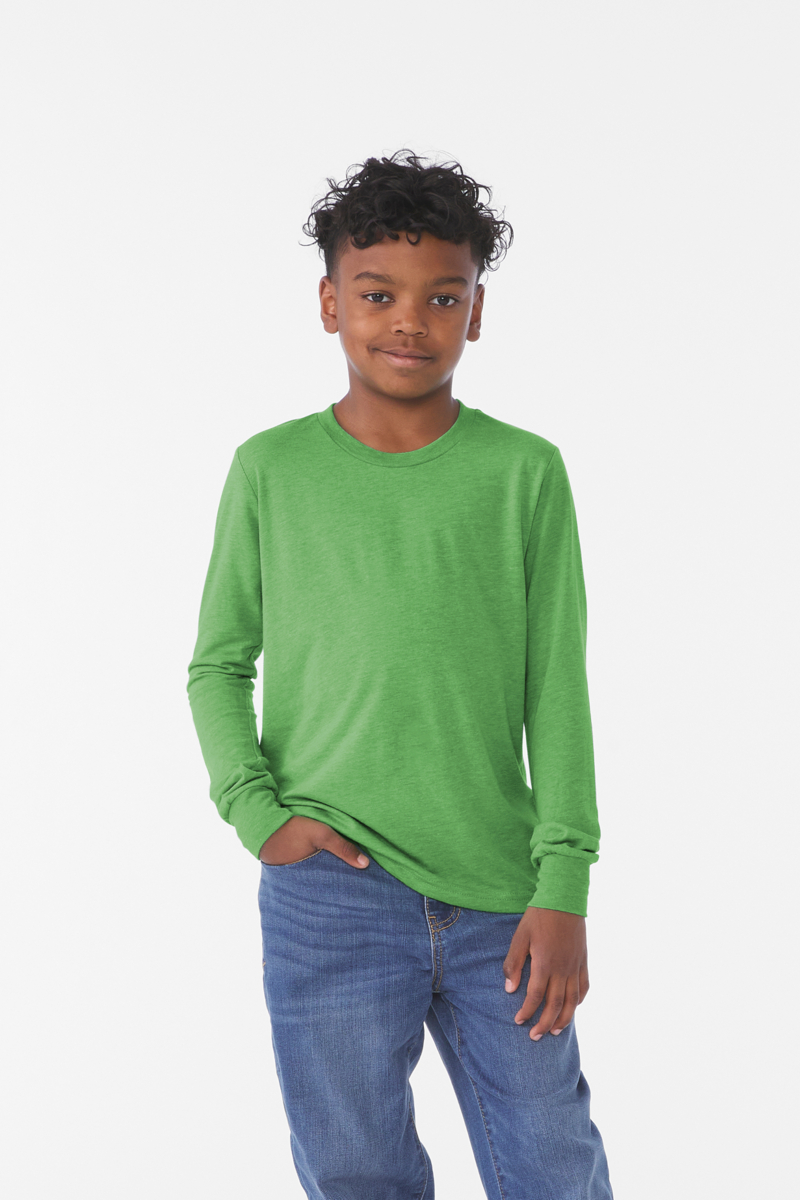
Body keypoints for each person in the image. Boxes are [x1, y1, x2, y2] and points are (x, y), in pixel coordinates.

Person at [186, 148, 614, 1199]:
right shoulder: (271, 469)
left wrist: (563, 884)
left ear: (477, 312)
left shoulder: (522, 472)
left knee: (553, 1166)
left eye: (442, 297)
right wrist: (257, 815)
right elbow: (217, 664)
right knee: (354, 1174)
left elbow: (556, 686)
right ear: (330, 303)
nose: (409, 322)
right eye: (378, 295)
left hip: (502, 898)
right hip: (329, 892)